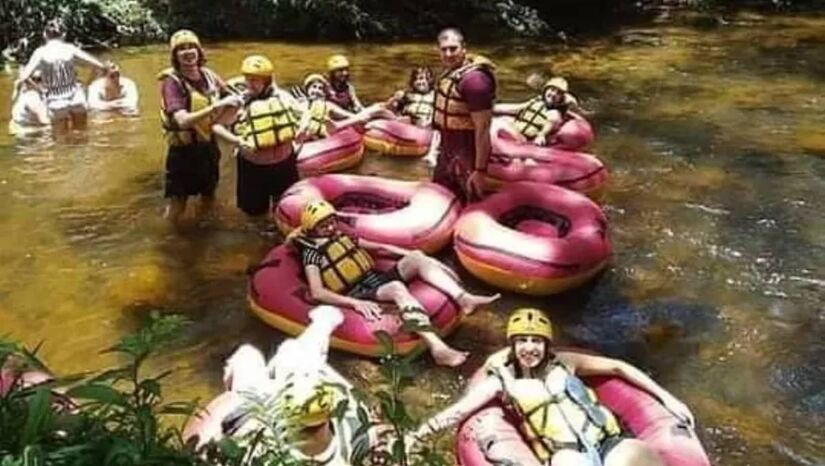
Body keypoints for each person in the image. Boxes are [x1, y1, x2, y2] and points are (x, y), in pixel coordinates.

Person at [408, 308, 696, 466]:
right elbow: (457, 412)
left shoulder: (566, 363)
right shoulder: (500, 381)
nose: (529, 347)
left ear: (546, 345)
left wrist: (667, 398)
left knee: (641, 455)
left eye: (536, 341)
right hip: (565, 454)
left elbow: (619, 367)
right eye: (522, 341)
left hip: (607, 441)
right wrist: (415, 436)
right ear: (513, 345)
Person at [289, 201, 500, 367]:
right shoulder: (312, 253)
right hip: (357, 292)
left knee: (417, 258)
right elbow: (317, 292)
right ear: (312, 229)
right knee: (397, 289)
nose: (330, 227)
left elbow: (378, 247)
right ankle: (438, 348)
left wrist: (411, 254)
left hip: (374, 279)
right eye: (323, 225)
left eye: (332, 221)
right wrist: (353, 304)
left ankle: (464, 298)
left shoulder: (340, 236)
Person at [200, 306, 390, 465]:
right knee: (296, 357)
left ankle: (322, 324)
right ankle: (323, 323)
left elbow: (232, 422)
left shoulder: (260, 447)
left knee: (249, 356)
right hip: (307, 399)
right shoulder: (356, 433)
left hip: (265, 397)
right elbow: (372, 433)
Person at [158, 29, 240, 226]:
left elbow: (233, 93)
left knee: (209, 194)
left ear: (199, 50)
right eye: (181, 49)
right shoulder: (173, 82)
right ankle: (169, 239)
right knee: (178, 204)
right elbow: (182, 121)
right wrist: (215, 106)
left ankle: (203, 230)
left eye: (191, 47)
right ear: (175, 56)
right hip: (183, 153)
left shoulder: (209, 75)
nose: (187, 52)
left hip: (208, 147)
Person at [211, 55, 302, 218]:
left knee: (285, 208)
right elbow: (216, 126)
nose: (249, 84)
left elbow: (304, 117)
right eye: (248, 79)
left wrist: (302, 133)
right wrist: (237, 141)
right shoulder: (239, 102)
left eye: (255, 80)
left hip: (284, 164)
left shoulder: (284, 98)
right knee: (254, 215)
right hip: (253, 168)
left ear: (266, 81)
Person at [432, 28, 496, 204]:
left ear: (464, 48)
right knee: (439, 200)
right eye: (444, 49)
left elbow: (483, 128)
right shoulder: (450, 74)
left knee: (471, 205)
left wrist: (480, 170)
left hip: (468, 153)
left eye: (453, 48)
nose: (448, 54)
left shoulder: (475, 82)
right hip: (448, 152)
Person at [14, 19, 108, 132]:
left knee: (60, 143)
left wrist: (40, 90)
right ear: (64, 35)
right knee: (81, 136)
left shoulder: (40, 52)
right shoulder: (70, 49)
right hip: (76, 97)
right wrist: (86, 85)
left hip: (55, 100)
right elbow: (100, 66)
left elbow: (23, 78)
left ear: (45, 35)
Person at [495, 77, 584, 146]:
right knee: (501, 120)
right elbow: (516, 108)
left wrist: (541, 135)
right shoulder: (537, 101)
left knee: (499, 125)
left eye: (558, 93)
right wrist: (491, 108)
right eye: (552, 90)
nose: (553, 94)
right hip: (516, 128)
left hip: (526, 140)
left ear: (562, 98)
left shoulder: (555, 113)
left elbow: (552, 121)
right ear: (546, 90)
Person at [296, 73, 384, 142]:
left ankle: (375, 112)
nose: (317, 91)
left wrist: (361, 118)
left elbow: (348, 115)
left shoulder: (327, 105)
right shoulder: (300, 104)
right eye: (314, 87)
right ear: (307, 90)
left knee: (356, 117)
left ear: (323, 93)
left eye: (320, 88)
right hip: (304, 133)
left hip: (323, 134)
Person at [385, 66, 441, 164]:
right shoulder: (407, 95)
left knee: (437, 129)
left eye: (422, 78)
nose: (420, 82)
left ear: (430, 80)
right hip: (407, 123)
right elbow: (392, 108)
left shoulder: (436, 95)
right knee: (402, 117)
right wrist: (394, 99)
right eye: (416, 79)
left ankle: (432, 154)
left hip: (425, 125)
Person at [8, 70, 49, 136]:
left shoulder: (21, 91)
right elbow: (47, 123)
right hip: (33, 138)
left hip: (20, 131)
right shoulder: (33, 98)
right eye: (38, 79)